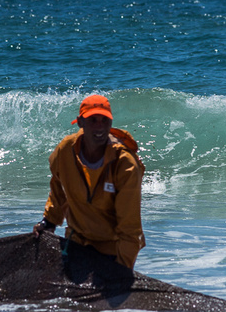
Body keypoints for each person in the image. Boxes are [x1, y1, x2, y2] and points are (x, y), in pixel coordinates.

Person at [33, 93, 145, 269]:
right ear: (80, 122)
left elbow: (130, 228)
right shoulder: (65, 149)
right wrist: (50, 221)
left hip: (111, 250)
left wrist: (122, 268)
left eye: (104, 121)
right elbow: (58, 186)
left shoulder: (125, 164)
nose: (99, 127)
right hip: (76, 242)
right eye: (93, 120)